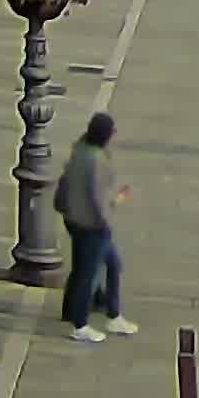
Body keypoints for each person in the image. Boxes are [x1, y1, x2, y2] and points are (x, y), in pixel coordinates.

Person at [58, 112, 136, 342]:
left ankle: (84, 311)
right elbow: (98, 198)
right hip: (92, 225)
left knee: (103, 265)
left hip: (74, 219)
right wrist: (118, 201)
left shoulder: (80, 150)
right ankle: (82, 324)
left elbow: (67, 183)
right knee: (88, 273)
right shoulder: (97, 161)